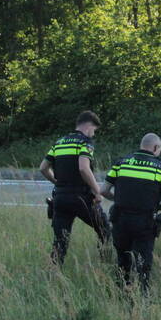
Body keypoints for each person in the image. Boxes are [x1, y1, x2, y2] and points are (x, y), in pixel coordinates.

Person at [100, 132, 161, 291]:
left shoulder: (121, 163)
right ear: (156, 148)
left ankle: (122, 294)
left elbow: (104, 191)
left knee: (123, 260)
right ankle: (143, 297)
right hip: (144, 222)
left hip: (120, 219)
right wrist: (154, 207)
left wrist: (121, 200)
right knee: (143, 263)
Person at [39, 111, 110, 265]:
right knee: (105, 229)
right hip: (81, 198)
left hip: (60, 198)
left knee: (60, 242)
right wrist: (97, 192)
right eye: (94, 131)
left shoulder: (60, 142)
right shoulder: (85, 142)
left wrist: (57, 182)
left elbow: (43, 168)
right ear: (89, 125)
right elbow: (84, 168)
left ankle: (53, 276)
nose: (93, 134)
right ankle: (106, 265)